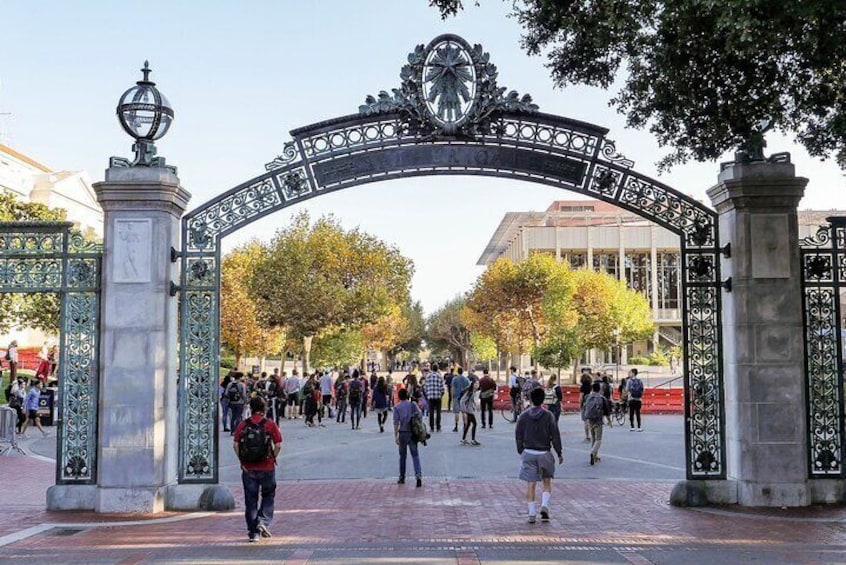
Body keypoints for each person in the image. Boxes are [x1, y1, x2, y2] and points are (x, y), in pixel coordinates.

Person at [233, 395, 282, 543]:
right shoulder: (269, 424)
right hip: (267, 466)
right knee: (268, 495)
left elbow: (235, 445)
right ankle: (263, 521)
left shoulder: (243, 424)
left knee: (250, 500)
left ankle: (253, 533)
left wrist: (241, 460)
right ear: (264, 408)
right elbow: (278, 444)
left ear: (251, 408)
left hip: (248, 468)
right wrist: (273, 457)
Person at [515, 387, 563, 524]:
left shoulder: (523, 416)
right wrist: (559, 452)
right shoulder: (549, 416)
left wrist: (521, 450)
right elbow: (555, 435)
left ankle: (531, 513)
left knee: (531, 484)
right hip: (544, 453)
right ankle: (545, 505)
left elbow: (518, 435)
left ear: (530, 399)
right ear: (543, 400)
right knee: (546, 481)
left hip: (529, 452)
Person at [393, 388, 423, 487]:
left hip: (402, 433)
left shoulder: (397, 407)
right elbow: (420, 415)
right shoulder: (412, 405)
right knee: (415, 455)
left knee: (402, 456)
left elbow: (396, 423)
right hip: (412, 432)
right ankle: (418, 476)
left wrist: (396, 436)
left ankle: (402, 477)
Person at [584, 381, 610, 465]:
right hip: (598, 420)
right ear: (599, 389)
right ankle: (593, 452)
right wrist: (609, 421)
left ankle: (595, 456)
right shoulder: (602, 398)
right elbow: (606, 412)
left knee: (593, 438)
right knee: (598, 440)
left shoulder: (588, 396)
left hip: (590, 420)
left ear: (592, 389)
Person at [422, 362, 445, 432]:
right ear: (437, 368)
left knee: (431, 412)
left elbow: (425, 387)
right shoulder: (440, 376)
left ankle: (431, 427)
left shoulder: (428, 376)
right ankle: (438, 427)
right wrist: (441, 394)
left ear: (431, 368)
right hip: (438, 396)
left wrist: (427, 395)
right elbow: (442, 388)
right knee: (438, 412)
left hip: (430, 397)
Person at [460, 379, 480, 446]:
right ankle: (473, 440)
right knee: (475, 424)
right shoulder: (470, 392)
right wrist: (464, 411)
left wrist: (474, 405)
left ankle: (463, 439)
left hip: (470, 409)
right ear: (473, 384)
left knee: (468, 424)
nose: (477, 385)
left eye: (478, 384)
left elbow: (471, 401)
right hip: (468, 411)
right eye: (476, 383)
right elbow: (462, 401)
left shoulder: (473, 392)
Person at [450, 367, 470, 432]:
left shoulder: (454, 379)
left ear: (458, 372)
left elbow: (452, 388)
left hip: (456, 396)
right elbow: (469, 387)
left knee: (456, 412)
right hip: (464, 397)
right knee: (464, 412)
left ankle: (456, 426)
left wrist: (452, 396)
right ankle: (465, 425)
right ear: (463, 372)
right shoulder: (466, 379)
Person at [578, 370, 593, 441]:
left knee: (585, 421)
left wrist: (579, 404)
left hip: (584, 404)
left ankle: (587, 436)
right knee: (590, 420)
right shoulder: (591, 386)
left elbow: (581, 397)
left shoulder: (582, 387)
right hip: (591, 404)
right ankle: (592, 434)